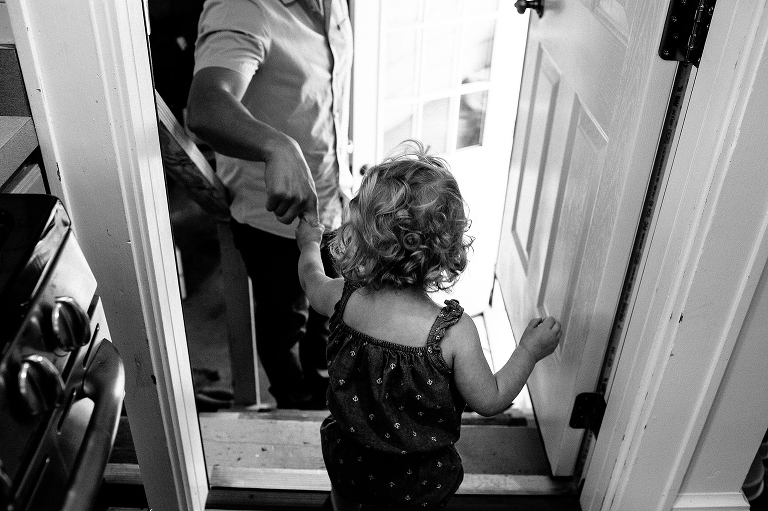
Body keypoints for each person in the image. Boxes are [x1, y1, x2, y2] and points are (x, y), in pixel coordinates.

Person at [295, 142, 562, 510]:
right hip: (417, 482)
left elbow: (311, 280)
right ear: (446, 249)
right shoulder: (453, 334)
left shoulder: (345, 298)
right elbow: (491, 399)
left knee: (345, 497)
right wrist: (529, 351)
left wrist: (309, 244)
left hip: (350, 460)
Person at [185, 0, 354, 409]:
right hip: (273, 218)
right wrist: (277, 145)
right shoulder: (241, 8)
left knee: (328, 312)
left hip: (331, 197)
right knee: (284, 324)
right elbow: (207, 106)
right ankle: (293, 402)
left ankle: (323, 390)